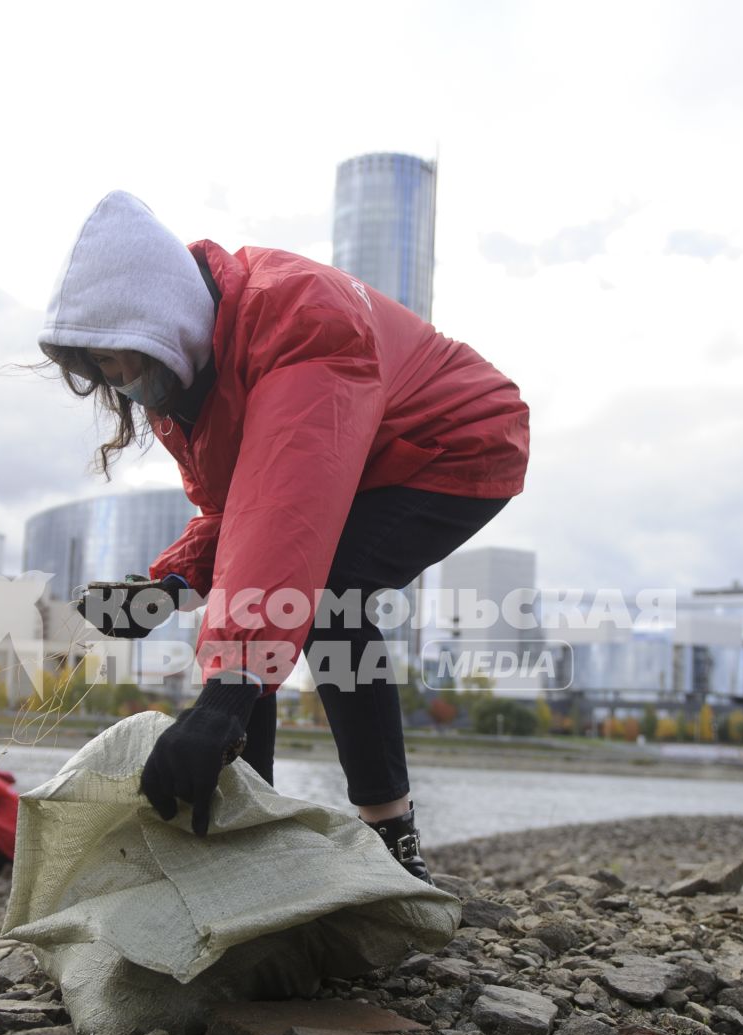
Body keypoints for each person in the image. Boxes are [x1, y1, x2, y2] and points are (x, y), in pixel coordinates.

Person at [40, 192, 529, 885]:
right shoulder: (192, 389)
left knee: (329, 598)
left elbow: (284, 514)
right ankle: (249, 821)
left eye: (119, 359)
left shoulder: (299, 320)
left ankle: (392, 839)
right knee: (278, 604)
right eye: (103, 369)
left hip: (452, 442)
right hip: (361, 461)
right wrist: (166, 588)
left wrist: (225, 694)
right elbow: (240, 517)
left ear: (161, 318)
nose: (118, 381)